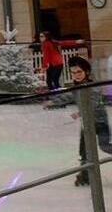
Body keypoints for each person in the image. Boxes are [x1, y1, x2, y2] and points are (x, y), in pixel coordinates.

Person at [46, 56, 112, 186]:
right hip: (86, 125)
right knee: (84, 152)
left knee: (104, 146)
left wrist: (80, 113)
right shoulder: (77, 87)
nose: (76, 75)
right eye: (73, 73)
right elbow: (68, 95)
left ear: (86, 72)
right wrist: (53, 101)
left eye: (79, 72)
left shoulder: (94, 86)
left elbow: (93, 102)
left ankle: (86, 174)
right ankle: (86, 175)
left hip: (99, 123)